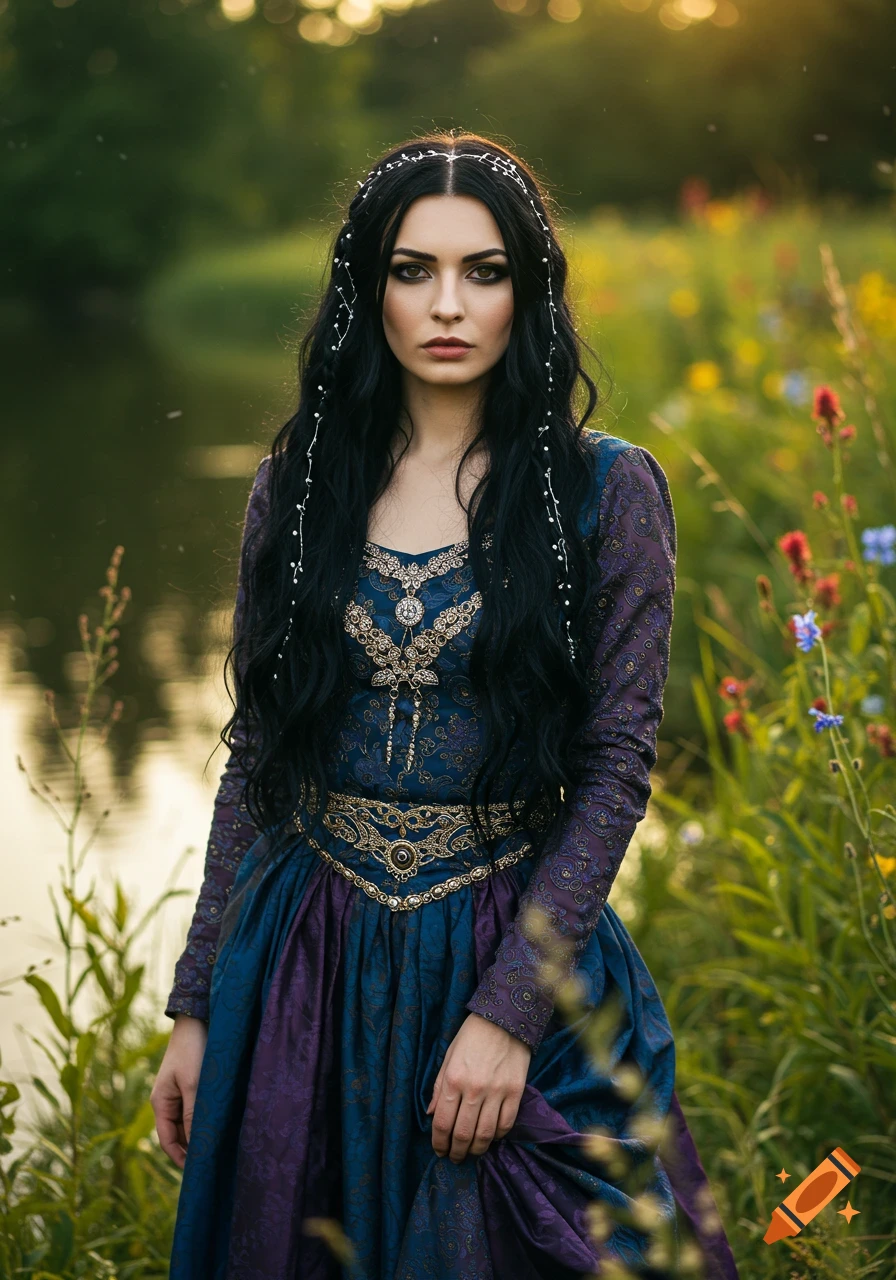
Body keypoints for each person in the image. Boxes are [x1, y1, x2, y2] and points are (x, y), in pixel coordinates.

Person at [150, 131, 740, 1280]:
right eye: (412, 270)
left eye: (483, 270)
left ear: (529, 287)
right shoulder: (302, 481)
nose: (447, 304)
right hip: (303, 954)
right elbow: (257, 753)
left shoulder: (602, 490)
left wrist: (510, 1011)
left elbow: (618, 766)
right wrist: (196, 1002)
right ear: (367, 289)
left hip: (503, 938)